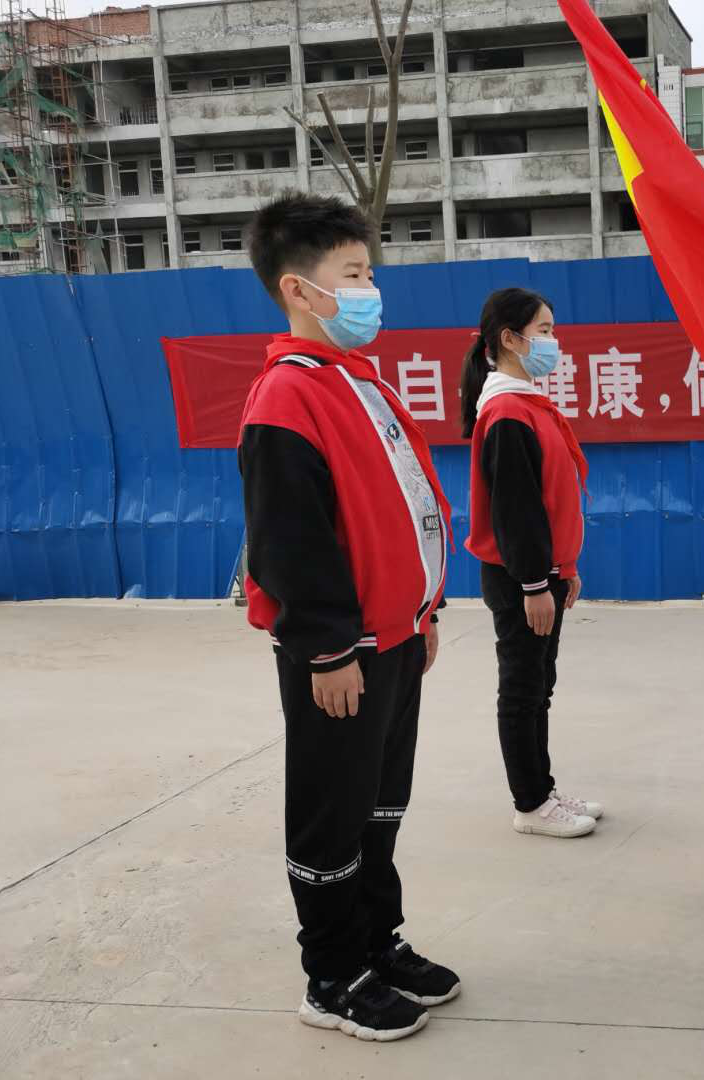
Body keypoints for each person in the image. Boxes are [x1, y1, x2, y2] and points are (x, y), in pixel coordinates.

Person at [238, 192, 460, 1042]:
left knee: (378, 806)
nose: (371, 291)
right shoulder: (287, 397)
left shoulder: (357, 382)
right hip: (343, 652)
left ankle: (376, 940)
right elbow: (288, 540)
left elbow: (404, 508)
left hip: (395, 637)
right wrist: (328, 650)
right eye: (354, 275)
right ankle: (331, 976)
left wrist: (423, 610)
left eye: (370, 273)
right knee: (332, 813)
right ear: (299, 290)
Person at [459, 287, 602, 839]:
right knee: (522, 688)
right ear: (510, 340)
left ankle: (543, 789)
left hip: (543, 573)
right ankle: (530, 804)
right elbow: (516, 511)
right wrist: (535, 584)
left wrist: (565, 568)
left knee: (540, 684)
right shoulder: (506, 413)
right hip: (520, 577)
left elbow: (553, 500)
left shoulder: (526, 404)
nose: (552, 341)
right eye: (543, 331)